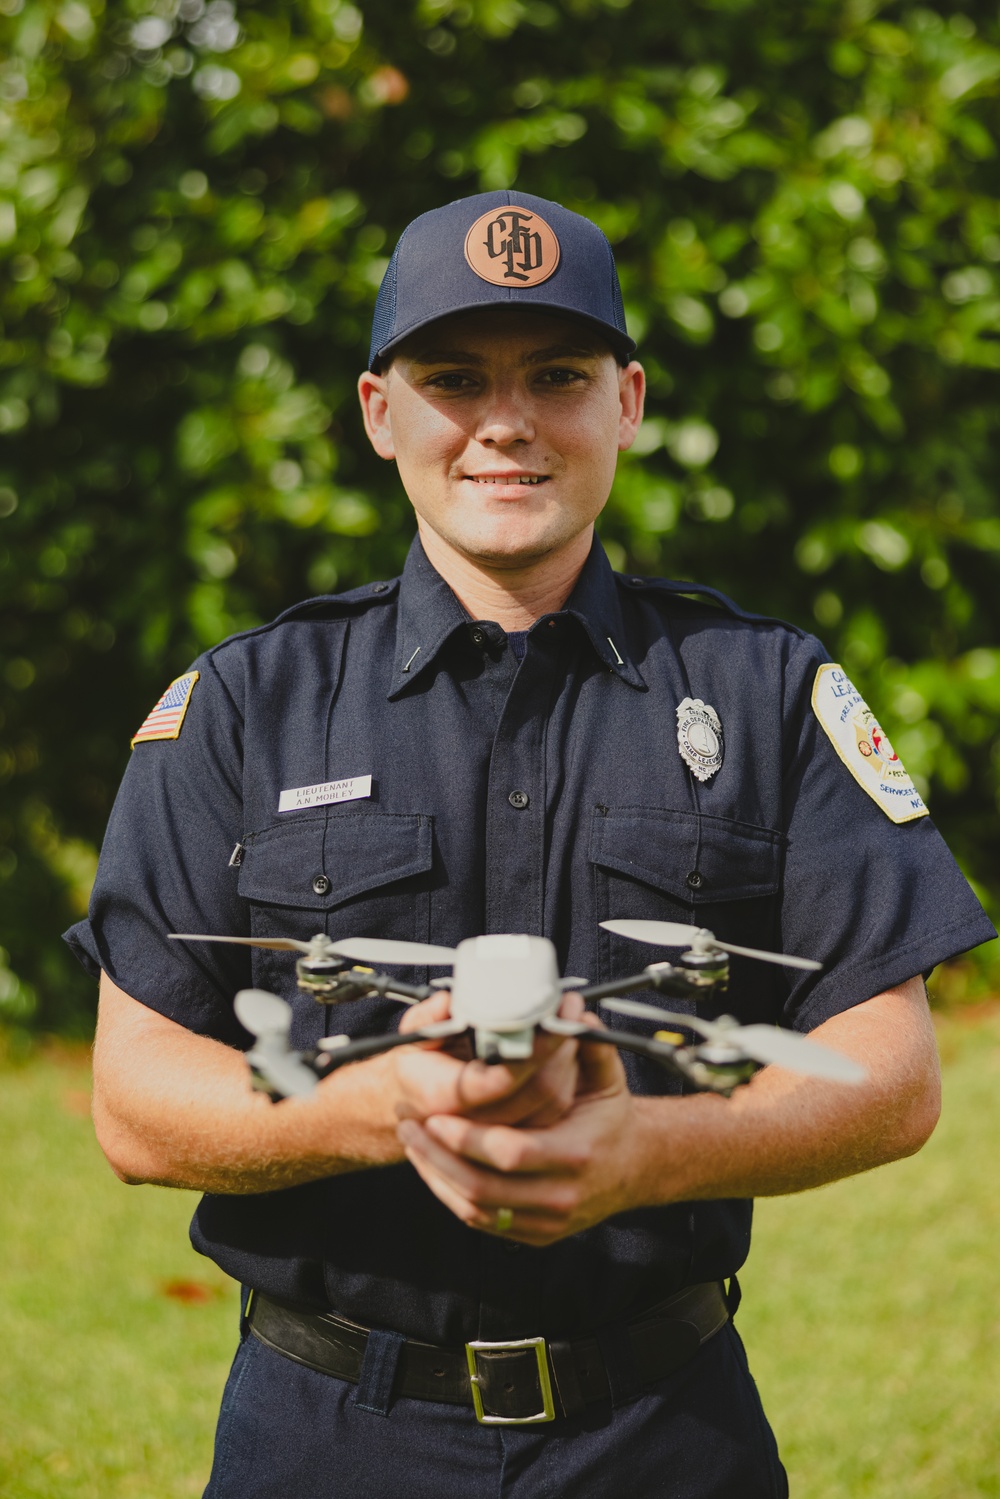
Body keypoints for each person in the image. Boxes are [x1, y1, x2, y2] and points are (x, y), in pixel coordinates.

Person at [67, 190, 994, 1499]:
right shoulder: (241, 709)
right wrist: (375, 1109)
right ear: (382, 414)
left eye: (556, 375)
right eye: (454, 378)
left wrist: (647, 1154)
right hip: (329, 1437)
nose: (506, 423)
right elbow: (135, 1099)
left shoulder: (764, 691)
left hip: (666, 1435)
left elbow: (893, 1076)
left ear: (627, 400)